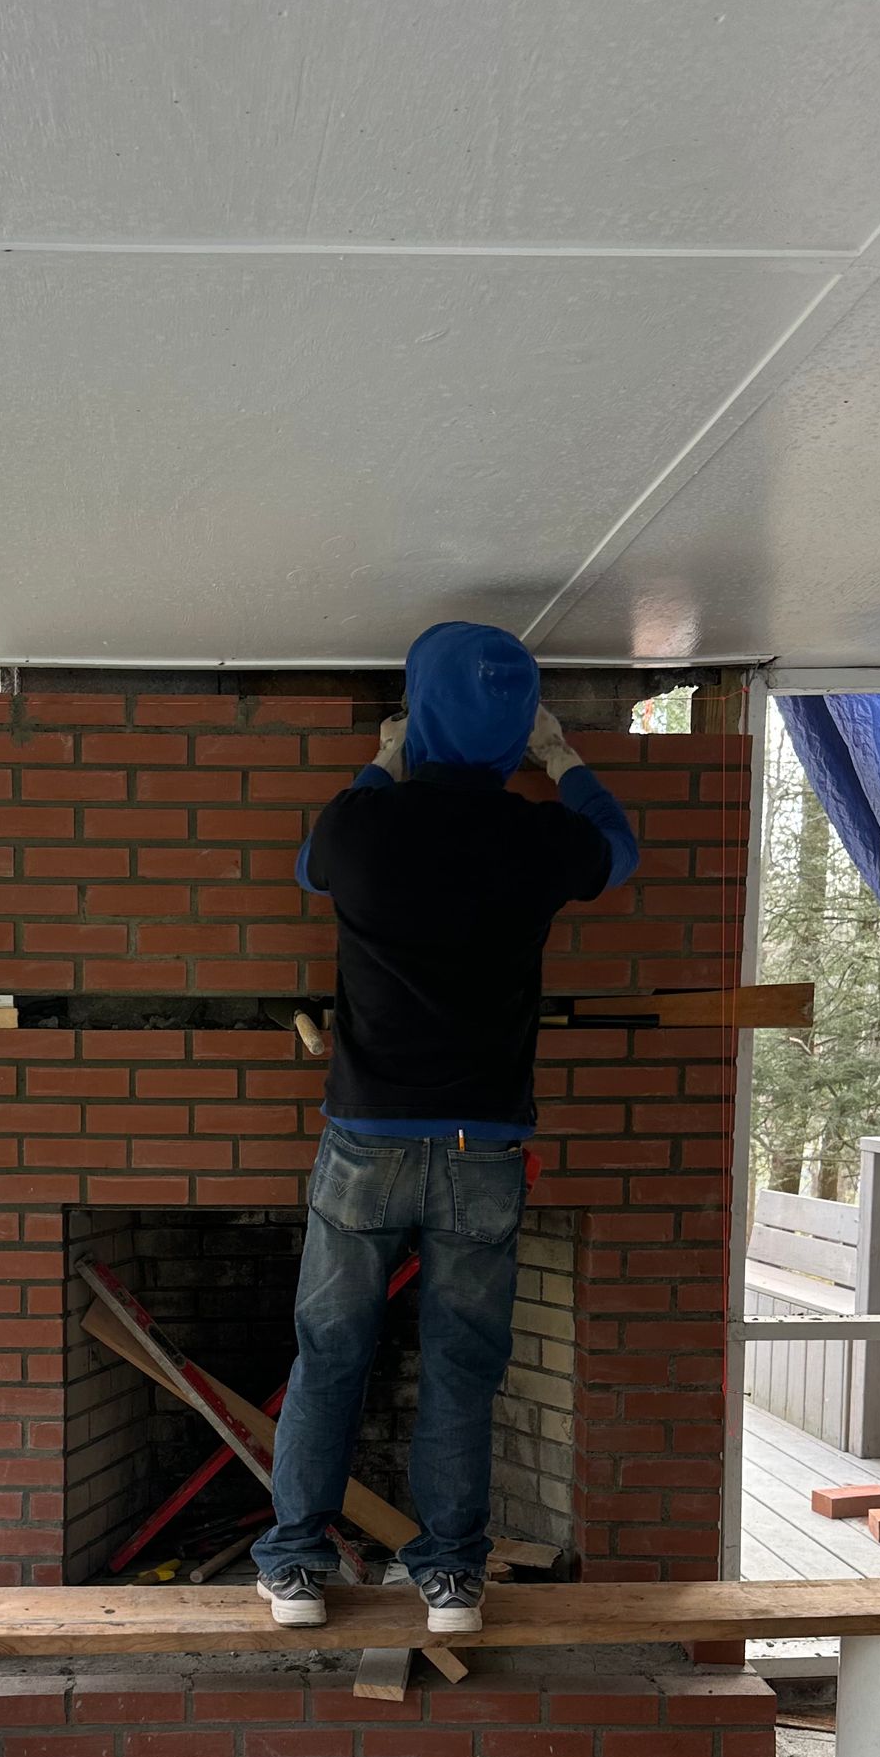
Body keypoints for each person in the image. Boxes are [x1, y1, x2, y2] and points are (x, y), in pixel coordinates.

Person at [253, 622, 639, 1637]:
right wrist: (561, 758)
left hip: (366, 1139)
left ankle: (295, 1567)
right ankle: (452, 1579)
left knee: (329, 1350)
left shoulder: (365, 828)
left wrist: (384, 758)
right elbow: (622, 850)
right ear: (515, 728)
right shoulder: (536, 837)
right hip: (485, 1147)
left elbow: (308, 865)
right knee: (463, 1364)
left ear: (422, 716)